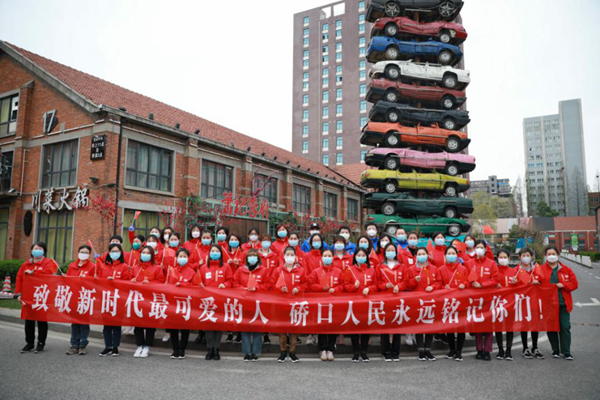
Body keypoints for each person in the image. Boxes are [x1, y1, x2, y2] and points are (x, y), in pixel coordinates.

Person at [16, 242, 59, 354]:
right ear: (31, 251)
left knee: (42, 321)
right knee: (29, 320)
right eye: (35, 248)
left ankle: (41, 343)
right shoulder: (26, 264)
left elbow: (49, 272)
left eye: (40, 249)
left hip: (42, 295)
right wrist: (18, 293)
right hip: (28, 295)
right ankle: (29, 343)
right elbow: (19, 278)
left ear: (44, 251)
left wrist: (34, 272)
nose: (37, 250)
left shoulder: (49, 262)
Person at [541, 246, 578, 360]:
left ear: (557, 254)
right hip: (549, 305)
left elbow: (574, 284)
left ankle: (566, 352)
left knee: (565, 327)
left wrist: (564, 285)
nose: (551, 256)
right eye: (549, 254)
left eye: (553, 253)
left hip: (563, 304)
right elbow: (534, 284)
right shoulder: (541, 269)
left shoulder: (566, 269)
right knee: (551, 327)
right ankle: (555, 350)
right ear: (545, 256)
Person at [233, 249, 270, 361]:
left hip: (258, 303)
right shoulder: (240, 270)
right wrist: (243, 289)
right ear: (246, 258)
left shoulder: (263, 270)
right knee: (245, 329)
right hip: (244, 302)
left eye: (254, 255)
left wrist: (257, 288)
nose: (252, 257)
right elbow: (234, 283)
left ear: (258, 258)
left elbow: (268, 284)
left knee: (257, 329)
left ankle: (256, 352)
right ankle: (247, 352)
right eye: (250, 255)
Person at [406, 247, 442, 361]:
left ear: (427, 255)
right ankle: (421, 349)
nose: (421, 256)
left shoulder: (434, 269)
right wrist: (414, 281)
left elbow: (439, 282)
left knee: (430, 325)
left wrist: (433, 287)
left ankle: (428, 349)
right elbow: (407, 285)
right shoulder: (411, 269)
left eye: (423, 254)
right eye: (419, 254)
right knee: (419, 325)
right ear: (416, 256)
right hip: (417, 301)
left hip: (431, 301)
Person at [343, 248, 379, 362]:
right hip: (354, 303)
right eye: (359, 255)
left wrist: (369, 289)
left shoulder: (371, 270)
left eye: (363, 255)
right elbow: (345, 286)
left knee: (365, 327)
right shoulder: (349, 270)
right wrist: (354, 287)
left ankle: (364, 351)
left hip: (367, 303)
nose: (361, 257)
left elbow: (376, 285)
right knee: (354, 327)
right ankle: (355, 351)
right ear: (355, 257)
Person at [272, 246, 307, 363]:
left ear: (295, 257)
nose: (290, 257)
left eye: (292, 255)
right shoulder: (278, 270)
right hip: (281, 303)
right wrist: (279, 288)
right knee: (282, 328)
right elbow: (272, 284)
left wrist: (299, 288)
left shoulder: (301, 270)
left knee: (294, 328)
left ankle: (292, 352)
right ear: (284, 256)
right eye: (288, 254)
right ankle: (282, 352)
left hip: (295, 303)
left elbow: (306, 284)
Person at [198, 245, 233, 360]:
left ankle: (216, 349)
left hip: (220, 300)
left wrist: (225, 284)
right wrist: (200, 285)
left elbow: (230, 281)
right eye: (212, 251)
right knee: (209, 325)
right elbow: (199, 281)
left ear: (221, 254)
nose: (214, 253)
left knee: (218, 325)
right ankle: (210, 349)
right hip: (207, 301)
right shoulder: (204, 267)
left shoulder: (226, 266)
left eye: (217, 251)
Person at [309, 248, 343, 361]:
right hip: (321, 303)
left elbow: (342, 285)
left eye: (329, 256)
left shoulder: (338, 271)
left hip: (334, 303)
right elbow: (311, 285)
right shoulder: (316, 271)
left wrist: (335, 289)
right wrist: (321, 288)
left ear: (332, 258)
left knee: (333, 325)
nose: (327, 258)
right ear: (322, 258)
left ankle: (331, 349)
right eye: (325, 256)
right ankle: (322, 348)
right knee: (322, 325)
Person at [131, 246, 165, 358]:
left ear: (152, 255)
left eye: (147, 253)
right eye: (143, 253)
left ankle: (147, 346)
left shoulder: (157, 268)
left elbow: (161, 282)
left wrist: (150, 283)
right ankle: (139, 345)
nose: (145, 255)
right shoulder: (136, 267)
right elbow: (129, 280)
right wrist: (132, 281)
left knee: (150, 324)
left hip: (151, 299)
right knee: (138, 323)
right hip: (138, 299)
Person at [468, 240, 499, 361]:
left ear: (485, 249)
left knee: (488, 326)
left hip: (488, 298)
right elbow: (466, 278)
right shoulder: (469, 263)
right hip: (474, 299)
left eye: (481, 247)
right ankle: (479, 350)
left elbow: (495, 279)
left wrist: (482, 285)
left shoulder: (492, 263)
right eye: (477, 247)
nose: (479, 249)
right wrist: (471, 283)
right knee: (477, 326)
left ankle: (487, 351)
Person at [97, 243, 130, 356]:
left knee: (116, 324)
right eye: (112, 251)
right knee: (106, 325)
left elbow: (127, 282)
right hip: (106, 298)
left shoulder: (124, 267)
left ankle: (115, 347)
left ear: (121, 253)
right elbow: (98, 281)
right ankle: (108, 346)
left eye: (117, 251)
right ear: (109, 253)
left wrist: (115, 281)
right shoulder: (103, 266)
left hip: (118, 299)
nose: (114, 253)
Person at [165, 248, 197, 359]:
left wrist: (184, 285)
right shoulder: (171, 271)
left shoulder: (192, 272)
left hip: (186, 303)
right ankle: (175, 349)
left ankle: (182, 349)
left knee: (185, 327)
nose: (182, 258)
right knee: (173, 327)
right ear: (176, 258)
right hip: (173, 303)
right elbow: (167, 286)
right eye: (180, 256)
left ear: (188, 258)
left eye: (184, 256)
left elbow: (195, 287)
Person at [438, 245, 469, 361]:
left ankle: (459, 351)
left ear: (457, 255)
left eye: (453, 253)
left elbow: (468, 282)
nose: (451, 255)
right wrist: (443, 287)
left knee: (461, 326)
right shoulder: (441, 269)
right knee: (449, 326)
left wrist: (464, 285)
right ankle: (452, 349)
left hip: (461, 301)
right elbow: (438, 284)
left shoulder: (463, 269)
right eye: (449, 254)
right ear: (445, 256)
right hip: (448, 302)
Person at [377, 243, 406, 362]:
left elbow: (405, 281)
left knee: (397, 325)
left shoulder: (401, 266)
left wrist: (399, 286)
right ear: (385, 252)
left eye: (392, 250)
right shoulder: (380, 267)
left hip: (398, 299)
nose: (390, 252)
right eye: (388, 250)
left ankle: (395, 351)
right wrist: (385, 285)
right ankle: (386, 352)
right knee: (385, 326)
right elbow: (377, 282)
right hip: (385, 299)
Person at [64, 245, 95, 356]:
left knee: (84, 322)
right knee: (74, 322)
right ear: (77, 253)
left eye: (86, 252)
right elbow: (67, 281)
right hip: (73, 297)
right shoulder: (72, 266)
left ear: (89, 255)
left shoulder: (92, 267)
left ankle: (82, 345)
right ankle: (74, 344)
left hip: (85, 297)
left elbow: (95, 282)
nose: (83, 254)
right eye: (82, 251)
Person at [515, 248, 545, 359]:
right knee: (524, 325)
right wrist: (515, 282)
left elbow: (543, 281)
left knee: (535, 325)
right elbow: (514, 286)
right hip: (522, 302)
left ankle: (535, 347)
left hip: (535, 301)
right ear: (519, 257)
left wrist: (539, 282)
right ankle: (525, 348)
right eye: (523, 255)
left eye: (528, 255)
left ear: (531, 257)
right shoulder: (516, 270)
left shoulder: (537, 269)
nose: (526, 257)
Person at [398, 231, 419, 346]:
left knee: (417, 311)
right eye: (411, 238)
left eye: (414, 238)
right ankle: (408, 334)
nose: (413, 240)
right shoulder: (402, 253)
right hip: (407, 285)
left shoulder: (421, 253)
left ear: (417, 240)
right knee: (408, 311)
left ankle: (415, 333)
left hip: (418, 285)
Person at [494, 249, 516, 361]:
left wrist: (517, 282)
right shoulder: (495, 272)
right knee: (498, 327)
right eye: (500, 257)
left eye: (505, 257)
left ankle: (508, 350)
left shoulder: (514, 271)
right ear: (497, 259)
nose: (503, 259)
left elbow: (525, 284)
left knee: (509, 328)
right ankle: (500, 350)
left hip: (511, 303)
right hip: (498, 303)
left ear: (509, 258)